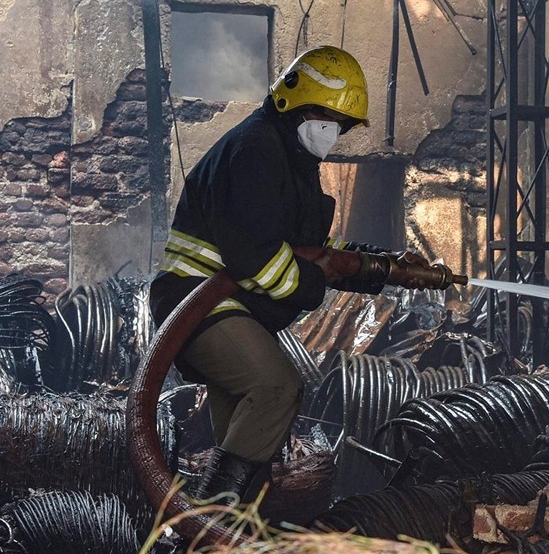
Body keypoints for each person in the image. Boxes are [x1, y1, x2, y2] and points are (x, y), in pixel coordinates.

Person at [148, 45, 424, 504]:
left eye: (341, 124)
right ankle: (206, 532)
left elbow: (310, 249)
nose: (332, 132)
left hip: (229, 304)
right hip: (201, 297)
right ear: (291, 103)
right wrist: (315, 283)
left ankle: (229, 543)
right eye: (324, 117)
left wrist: (386, 267)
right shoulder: (256, 149)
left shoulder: (291, 159)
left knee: (249, 431)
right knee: (275, 387)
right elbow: (257, 258)